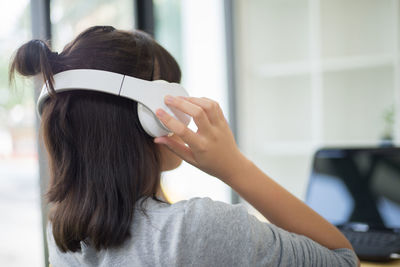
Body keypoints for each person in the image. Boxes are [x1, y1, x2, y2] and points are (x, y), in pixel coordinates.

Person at [9, 26, 359, 267]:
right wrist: (233, 167)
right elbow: (343, 259)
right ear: (153, 113)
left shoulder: (64, 238)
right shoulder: (192, 228)